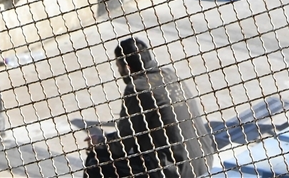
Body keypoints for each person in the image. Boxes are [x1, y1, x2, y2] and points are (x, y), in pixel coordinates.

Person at [85, 38, 214, 178]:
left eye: (118, 67)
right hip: (203, 161)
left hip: (176, 171)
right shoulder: (170, 75)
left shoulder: (138, 88)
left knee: (96, 160)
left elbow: (121, 146)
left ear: (127, 68)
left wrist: (100, 142)